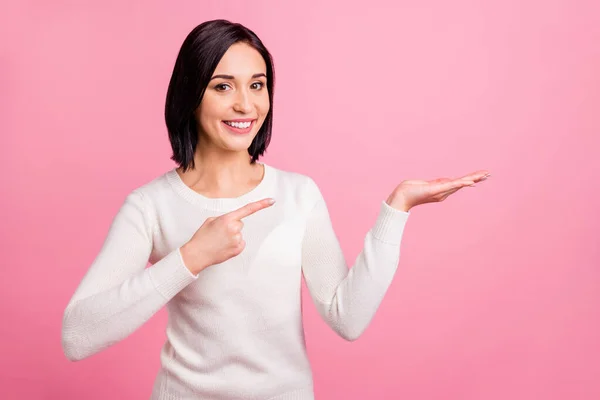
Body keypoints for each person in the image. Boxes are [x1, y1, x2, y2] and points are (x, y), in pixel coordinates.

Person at [61, 19, 490, 400]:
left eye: (257, 84)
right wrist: (191, 257)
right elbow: (77, 336)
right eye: (222, 86)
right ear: (191, 95)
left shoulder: (298, 194)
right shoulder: (150, 205)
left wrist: (396, 210)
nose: (246, 105)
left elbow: (347, 318)